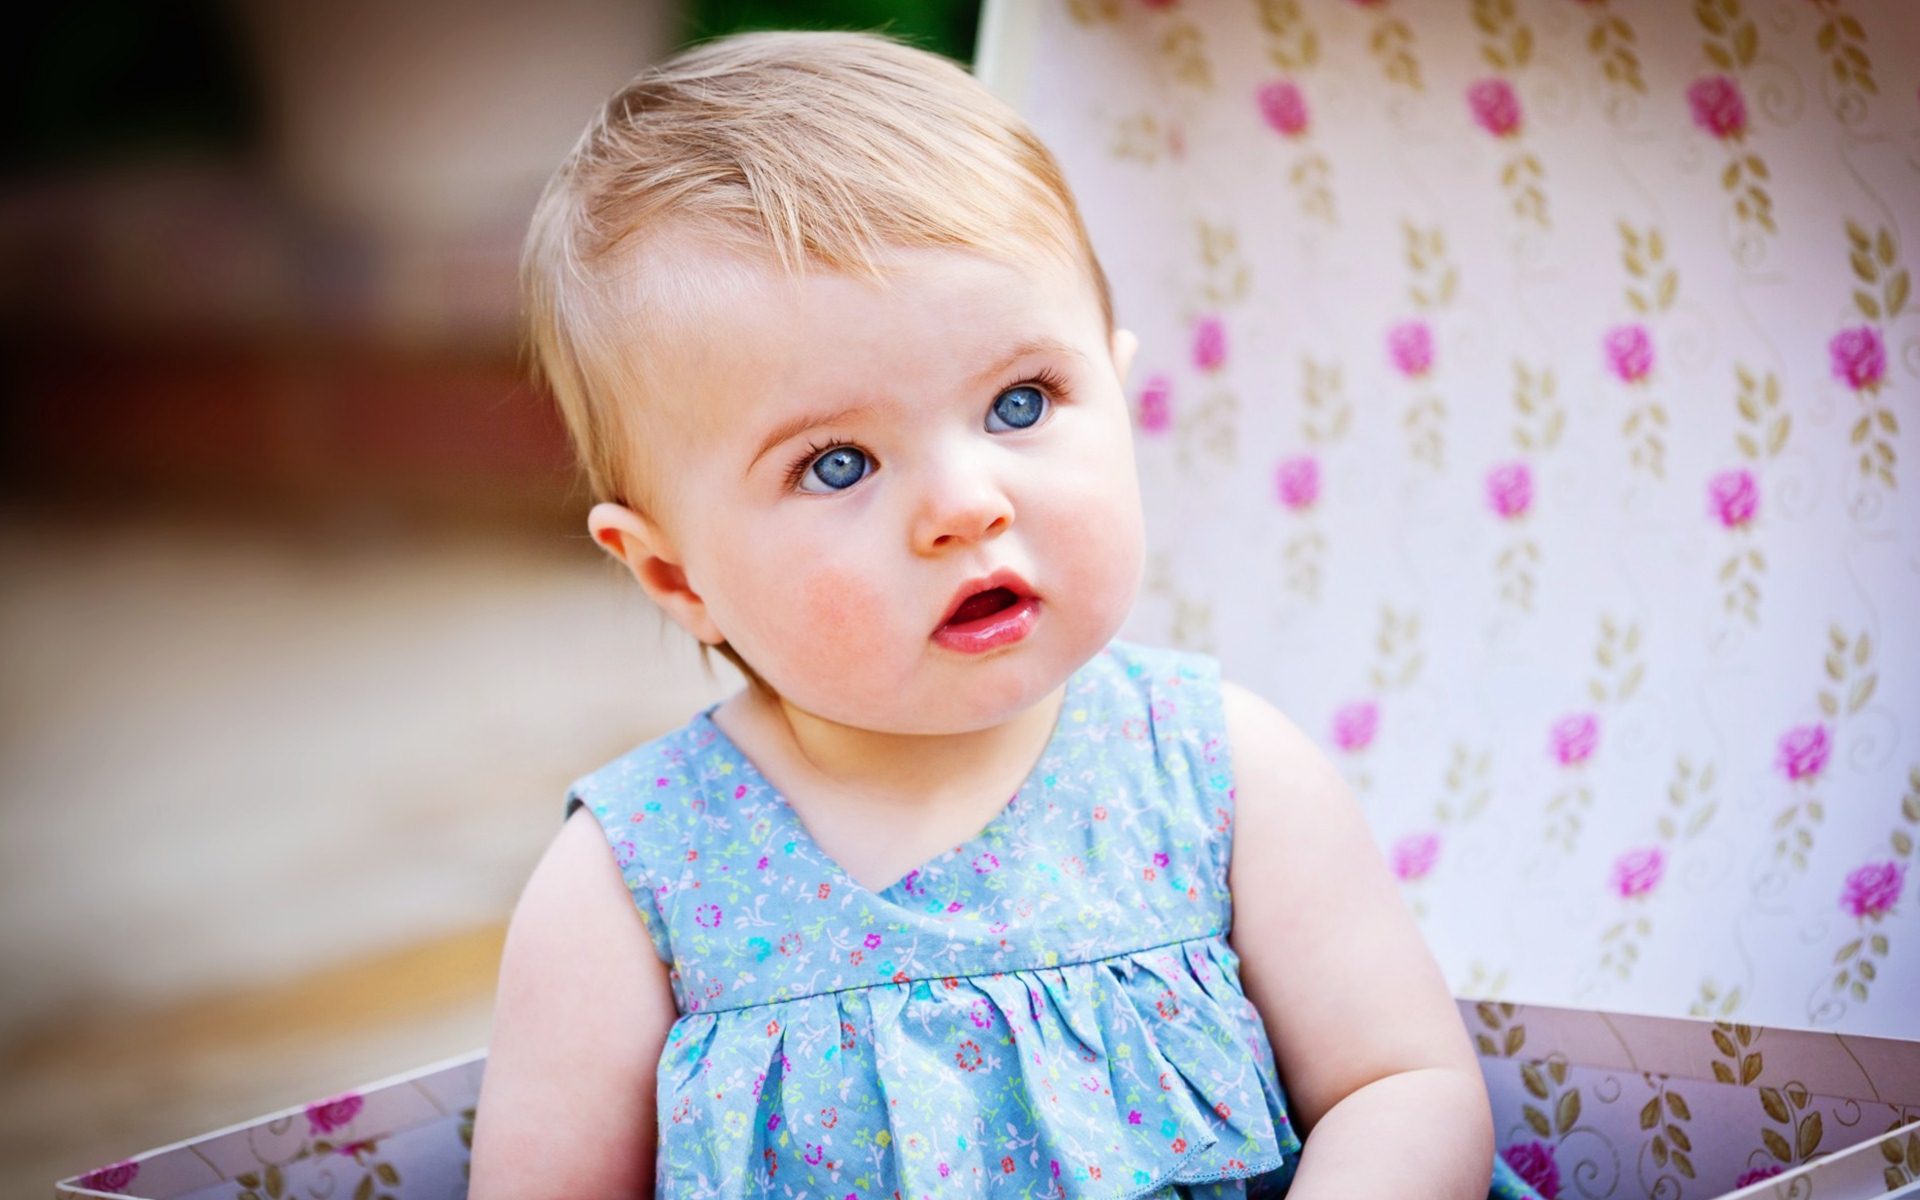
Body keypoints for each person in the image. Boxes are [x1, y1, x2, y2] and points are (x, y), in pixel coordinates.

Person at [469, 29, 1543, 1200]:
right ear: (676, 576)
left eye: (1020, 403)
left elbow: (1402, 1085)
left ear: (1118, 392)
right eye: (837, 465)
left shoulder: (1217, 774)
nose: (965, 505)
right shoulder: (634, 885)